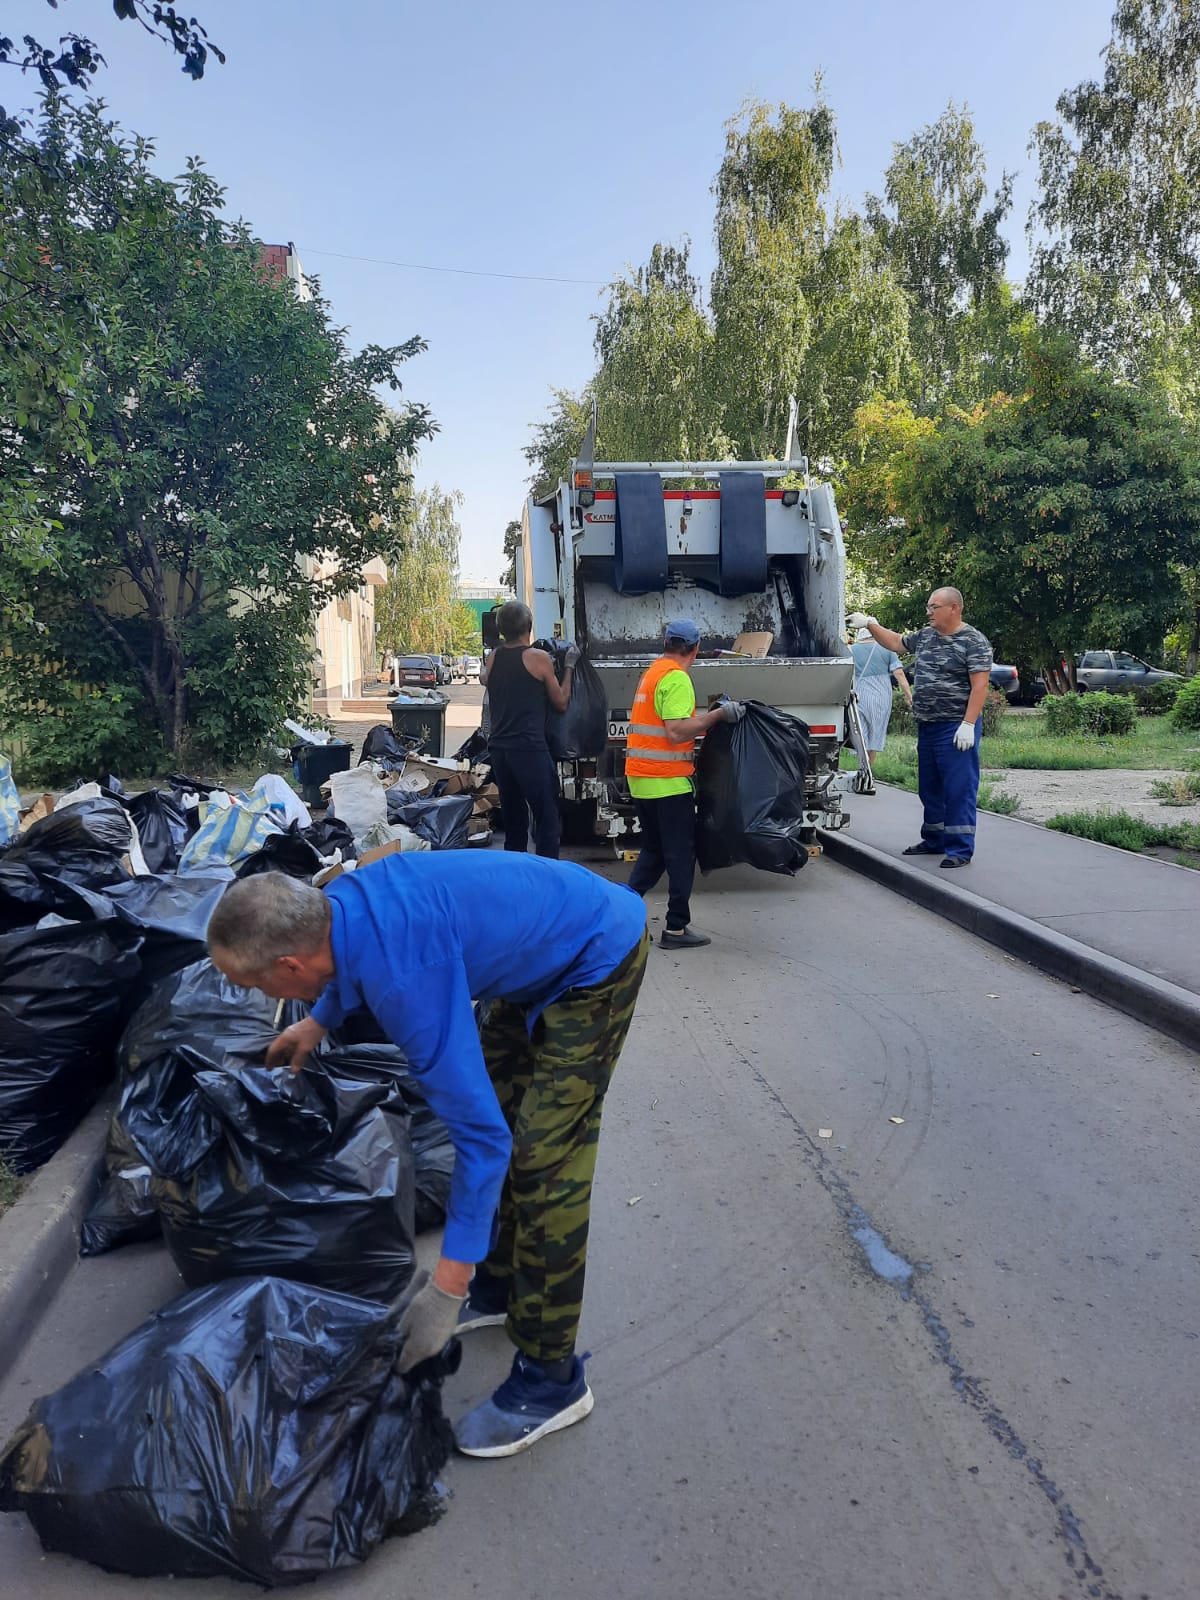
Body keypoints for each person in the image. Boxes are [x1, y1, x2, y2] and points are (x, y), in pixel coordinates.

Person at [206, 852, 649, 1458]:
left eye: (257, 984)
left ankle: (553, 1379)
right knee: (494, 1106)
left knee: (544, 1161)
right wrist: (320, 1022)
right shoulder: (340, 907)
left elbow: (482, 1141)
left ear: (288, 964)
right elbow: (347, 960)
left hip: (595, 956)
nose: (262, 996)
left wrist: (446, 1283)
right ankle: (499, 1285)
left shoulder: (407, 978)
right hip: (528, 963)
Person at [848, 588, 992, 867]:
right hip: (928, 725)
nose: (928, 612)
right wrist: (869, 624)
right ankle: (935, 839)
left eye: (934, 607)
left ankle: (960, 850)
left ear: (954, 608)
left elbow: (980, 685)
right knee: (930, 786)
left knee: (958, 788)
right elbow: (896, 643)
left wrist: (968, 724)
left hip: (955, 727)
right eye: (928, 606)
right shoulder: (925, 637)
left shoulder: (973, 641)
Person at [625, 618, 745, 947]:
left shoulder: (653, 672)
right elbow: (676, 730)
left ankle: (618, 911)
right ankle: (675, 928)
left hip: (642, 778)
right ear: (695, 649)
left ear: (667, 645)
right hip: (667, 782)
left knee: (655, 851)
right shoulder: (677, 678)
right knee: (679, 855)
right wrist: (718, 716)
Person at [480, 600, 575, 859]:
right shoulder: (538, 658)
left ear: (501, 630)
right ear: (529, 627)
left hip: (500, 750)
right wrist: (568, 667)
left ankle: (517, 878)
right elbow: (561, 702)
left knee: (514, 820)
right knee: (547, 819)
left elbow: (485, 679)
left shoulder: (494, 657)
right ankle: (546, 878)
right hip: (529, 749)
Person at [850, 626, 912, 770]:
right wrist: (909, 696)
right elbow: (900, 674)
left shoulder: (851, 650)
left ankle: (861, 767)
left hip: (859, 694)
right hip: (880, 695)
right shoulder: (886, 649)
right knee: (876, 733)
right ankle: (868, 770)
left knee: (861, 732)